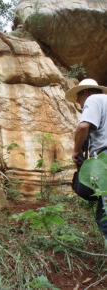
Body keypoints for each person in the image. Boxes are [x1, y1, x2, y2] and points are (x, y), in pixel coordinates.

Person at [65, 78, 107, 239]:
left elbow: (83, 126)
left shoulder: (93, 99)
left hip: (105, 157)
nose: (80, 104)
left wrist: (76, 151)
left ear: (85, 92)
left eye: (78, 98)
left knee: (105, 217)